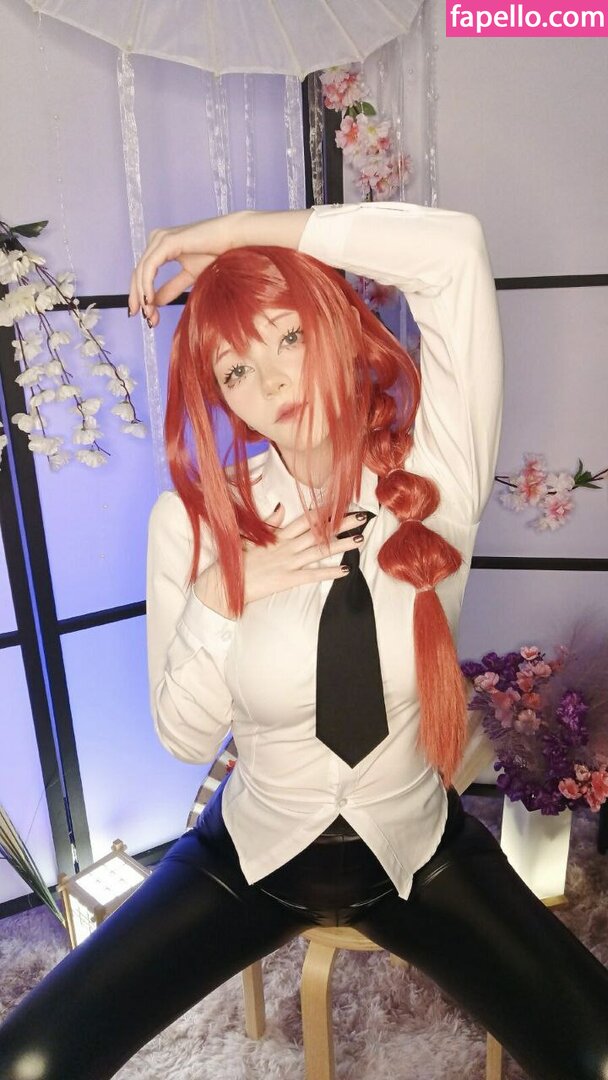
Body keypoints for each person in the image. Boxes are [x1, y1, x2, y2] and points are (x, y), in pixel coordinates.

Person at [1, 202, 608, 1080]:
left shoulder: (438, 473)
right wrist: (223, 597)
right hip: (250, 853)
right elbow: (183, 736)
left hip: (416, 845)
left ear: (333, 326)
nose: (273, 379)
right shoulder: (191, 523)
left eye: (288, 336)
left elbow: (454, 252)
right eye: (236, 368)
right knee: (29, 1059)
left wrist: (230, 234)